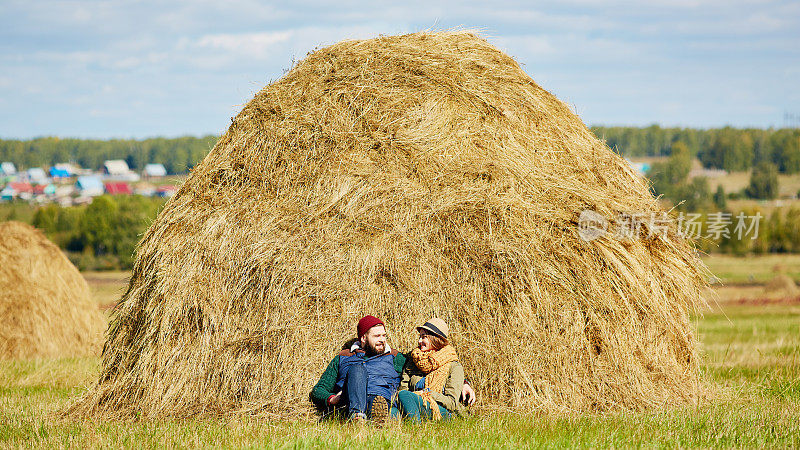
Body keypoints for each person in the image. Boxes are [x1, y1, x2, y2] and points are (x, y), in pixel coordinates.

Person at [310, 315, 475, 423]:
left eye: (384, 335)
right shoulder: (344, 358)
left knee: (391, 413)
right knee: (357, 370)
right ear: (363, 338)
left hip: (383, 403)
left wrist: (463, 383)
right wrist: (332, 399)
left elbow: (434, 365)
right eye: (377, 336)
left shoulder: (395, 357)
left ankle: (374, 419)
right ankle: (357, 418)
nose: (382, 340)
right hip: (351, 402)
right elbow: (318, 390)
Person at [395, 318, 465, 422]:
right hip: (414, 404)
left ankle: (415, 429)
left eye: (424, 337)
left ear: (435, 339)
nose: (419, 341)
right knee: (392, 411)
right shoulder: (413, 360)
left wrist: (427, 394)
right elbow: (403, 388)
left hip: (441, 411)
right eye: (420, 337)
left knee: (404, 395)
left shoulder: (454, 366)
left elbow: (452, 403)